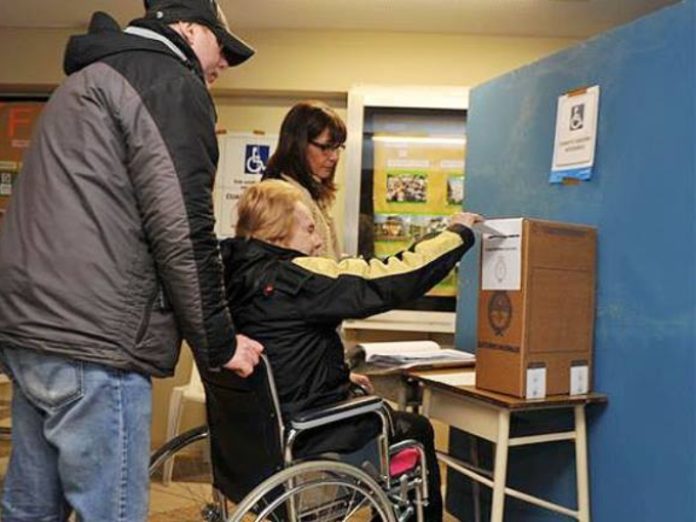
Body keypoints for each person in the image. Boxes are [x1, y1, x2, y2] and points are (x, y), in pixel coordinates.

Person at [0, 1, 264, 520]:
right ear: (187, 28)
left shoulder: (88, 79)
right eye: (221, 45)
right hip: (96, 343)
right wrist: (220, 342)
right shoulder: (167, 81)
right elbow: (183, 228)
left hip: (33, 332)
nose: (224, 63)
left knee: (29, 510)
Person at [220, 180, 483, 521]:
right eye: (309, 230)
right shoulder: (295, 277)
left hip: (252, 434)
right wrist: (456, 235)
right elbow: (388, 278)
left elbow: (284, 348)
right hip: (309, 428)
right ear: (277, 233)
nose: (318, 241)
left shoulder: (231, 273)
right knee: (412, 428)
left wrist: (340, 378)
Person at [262, 100, 346, 259]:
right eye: (325, 147)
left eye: (337, 148)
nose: (334, 157)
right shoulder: (282, 198)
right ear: (298, 145)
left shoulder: (312, 194)